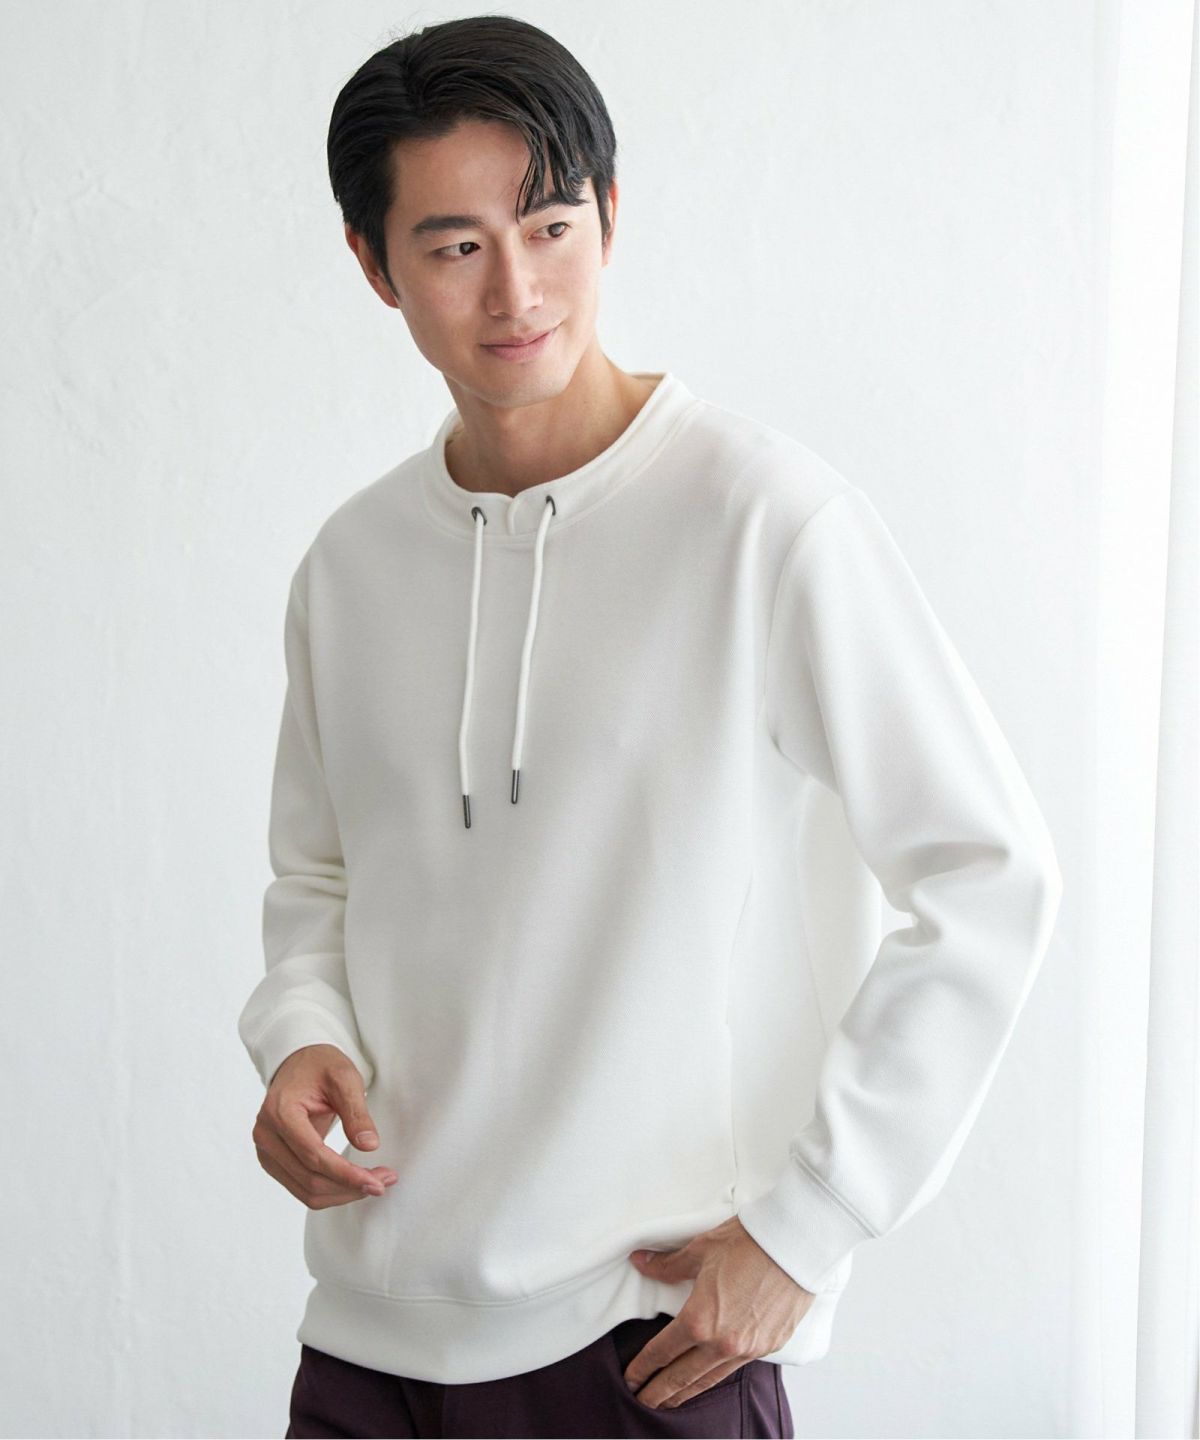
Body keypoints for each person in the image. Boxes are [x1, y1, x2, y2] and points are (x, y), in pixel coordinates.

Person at [237, 15, 1063, 1439]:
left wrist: (811, 1226)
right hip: (368, 1341)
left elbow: (989, 874)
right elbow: (319, 875)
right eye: (455, 246)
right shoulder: (350, 566)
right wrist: (301, 1032)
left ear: (610, 216)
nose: (516, 290)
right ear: (375, 266)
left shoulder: (766, 523)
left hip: (642, 1341)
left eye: (550, 226)